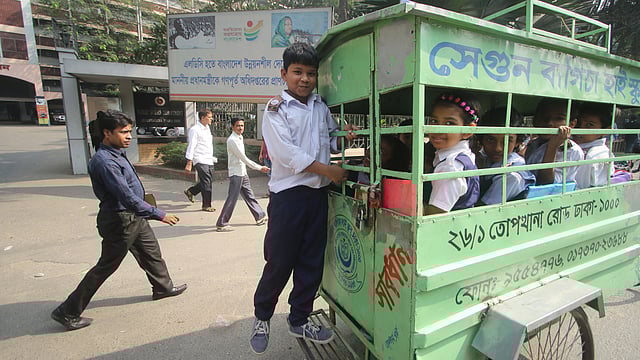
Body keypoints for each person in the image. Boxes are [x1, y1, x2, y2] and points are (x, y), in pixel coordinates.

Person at [250, 42, 356, 354]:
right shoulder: (275, 110)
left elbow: (332, 136)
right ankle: (262, 316)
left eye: (311, 73)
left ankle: (299, 318)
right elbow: (286, 155)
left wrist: (344, 133)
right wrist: (328, 170)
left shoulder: (321, 107)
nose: (305, 78)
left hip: (317, 196)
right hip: (288, 198)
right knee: (279, 261)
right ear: (284, 74)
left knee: (312, 261)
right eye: (298, 72)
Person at [51, 110, 187, 331]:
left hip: (134, 216)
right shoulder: (105, 162)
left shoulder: (115, 153)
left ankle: (163, 288)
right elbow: (127, 197)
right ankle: (67, 311)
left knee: (151, 252)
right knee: (106, 266)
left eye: (129, 132)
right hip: (120, 219)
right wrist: (159, 214)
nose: (129, 136)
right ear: (107, 133)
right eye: (123, 132)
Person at [423, 93, 481, 215]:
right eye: (434, 121)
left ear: (467, 131)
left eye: (449, 123)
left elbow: (435, 214)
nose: (438, 129)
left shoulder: (450, 167)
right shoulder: (464, 156)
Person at [215, 117, 269, 232]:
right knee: (232, 198)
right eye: (238, 126)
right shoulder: (232, 140)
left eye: (242, 126)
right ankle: (222, 223)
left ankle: (259, 216)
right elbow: (243, 158)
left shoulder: (239, 137)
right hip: (236, 174)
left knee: (249, 195)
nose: (240, 128)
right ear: (232, 127)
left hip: (242, 172)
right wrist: (259, 168)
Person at [475, 107, 536, 205]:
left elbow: (482, 210)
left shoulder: (511, 176)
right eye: (490, 139)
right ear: (482, 139)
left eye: (507, 141)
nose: (497, 148)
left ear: (517, 141)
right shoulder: (485, 160)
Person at [525, 98, 584, 185]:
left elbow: (546, 182)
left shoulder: (572, 151)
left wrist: (552, 147)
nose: (549, 123)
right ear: (535, 120)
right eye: (543, 117)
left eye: (559, 118)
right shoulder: (535, 143)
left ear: (572, 124)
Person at [573, 103, 615, 189]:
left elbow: (580, 186)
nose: (580, 129)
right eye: (578, 123)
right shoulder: (577, 147)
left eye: (589, 125)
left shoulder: (593, 155)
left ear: (605, 130)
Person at [184, 109, 217, 212]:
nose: (211, 119)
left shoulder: (207, 128)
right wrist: (189, 162)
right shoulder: (195, 129)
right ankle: (206, 205)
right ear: (202, 118)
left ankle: (191, 191)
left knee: (208, 180)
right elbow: (192, 145)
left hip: (209, 159)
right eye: (209, 117)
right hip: (199, 159)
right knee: (207, 182)